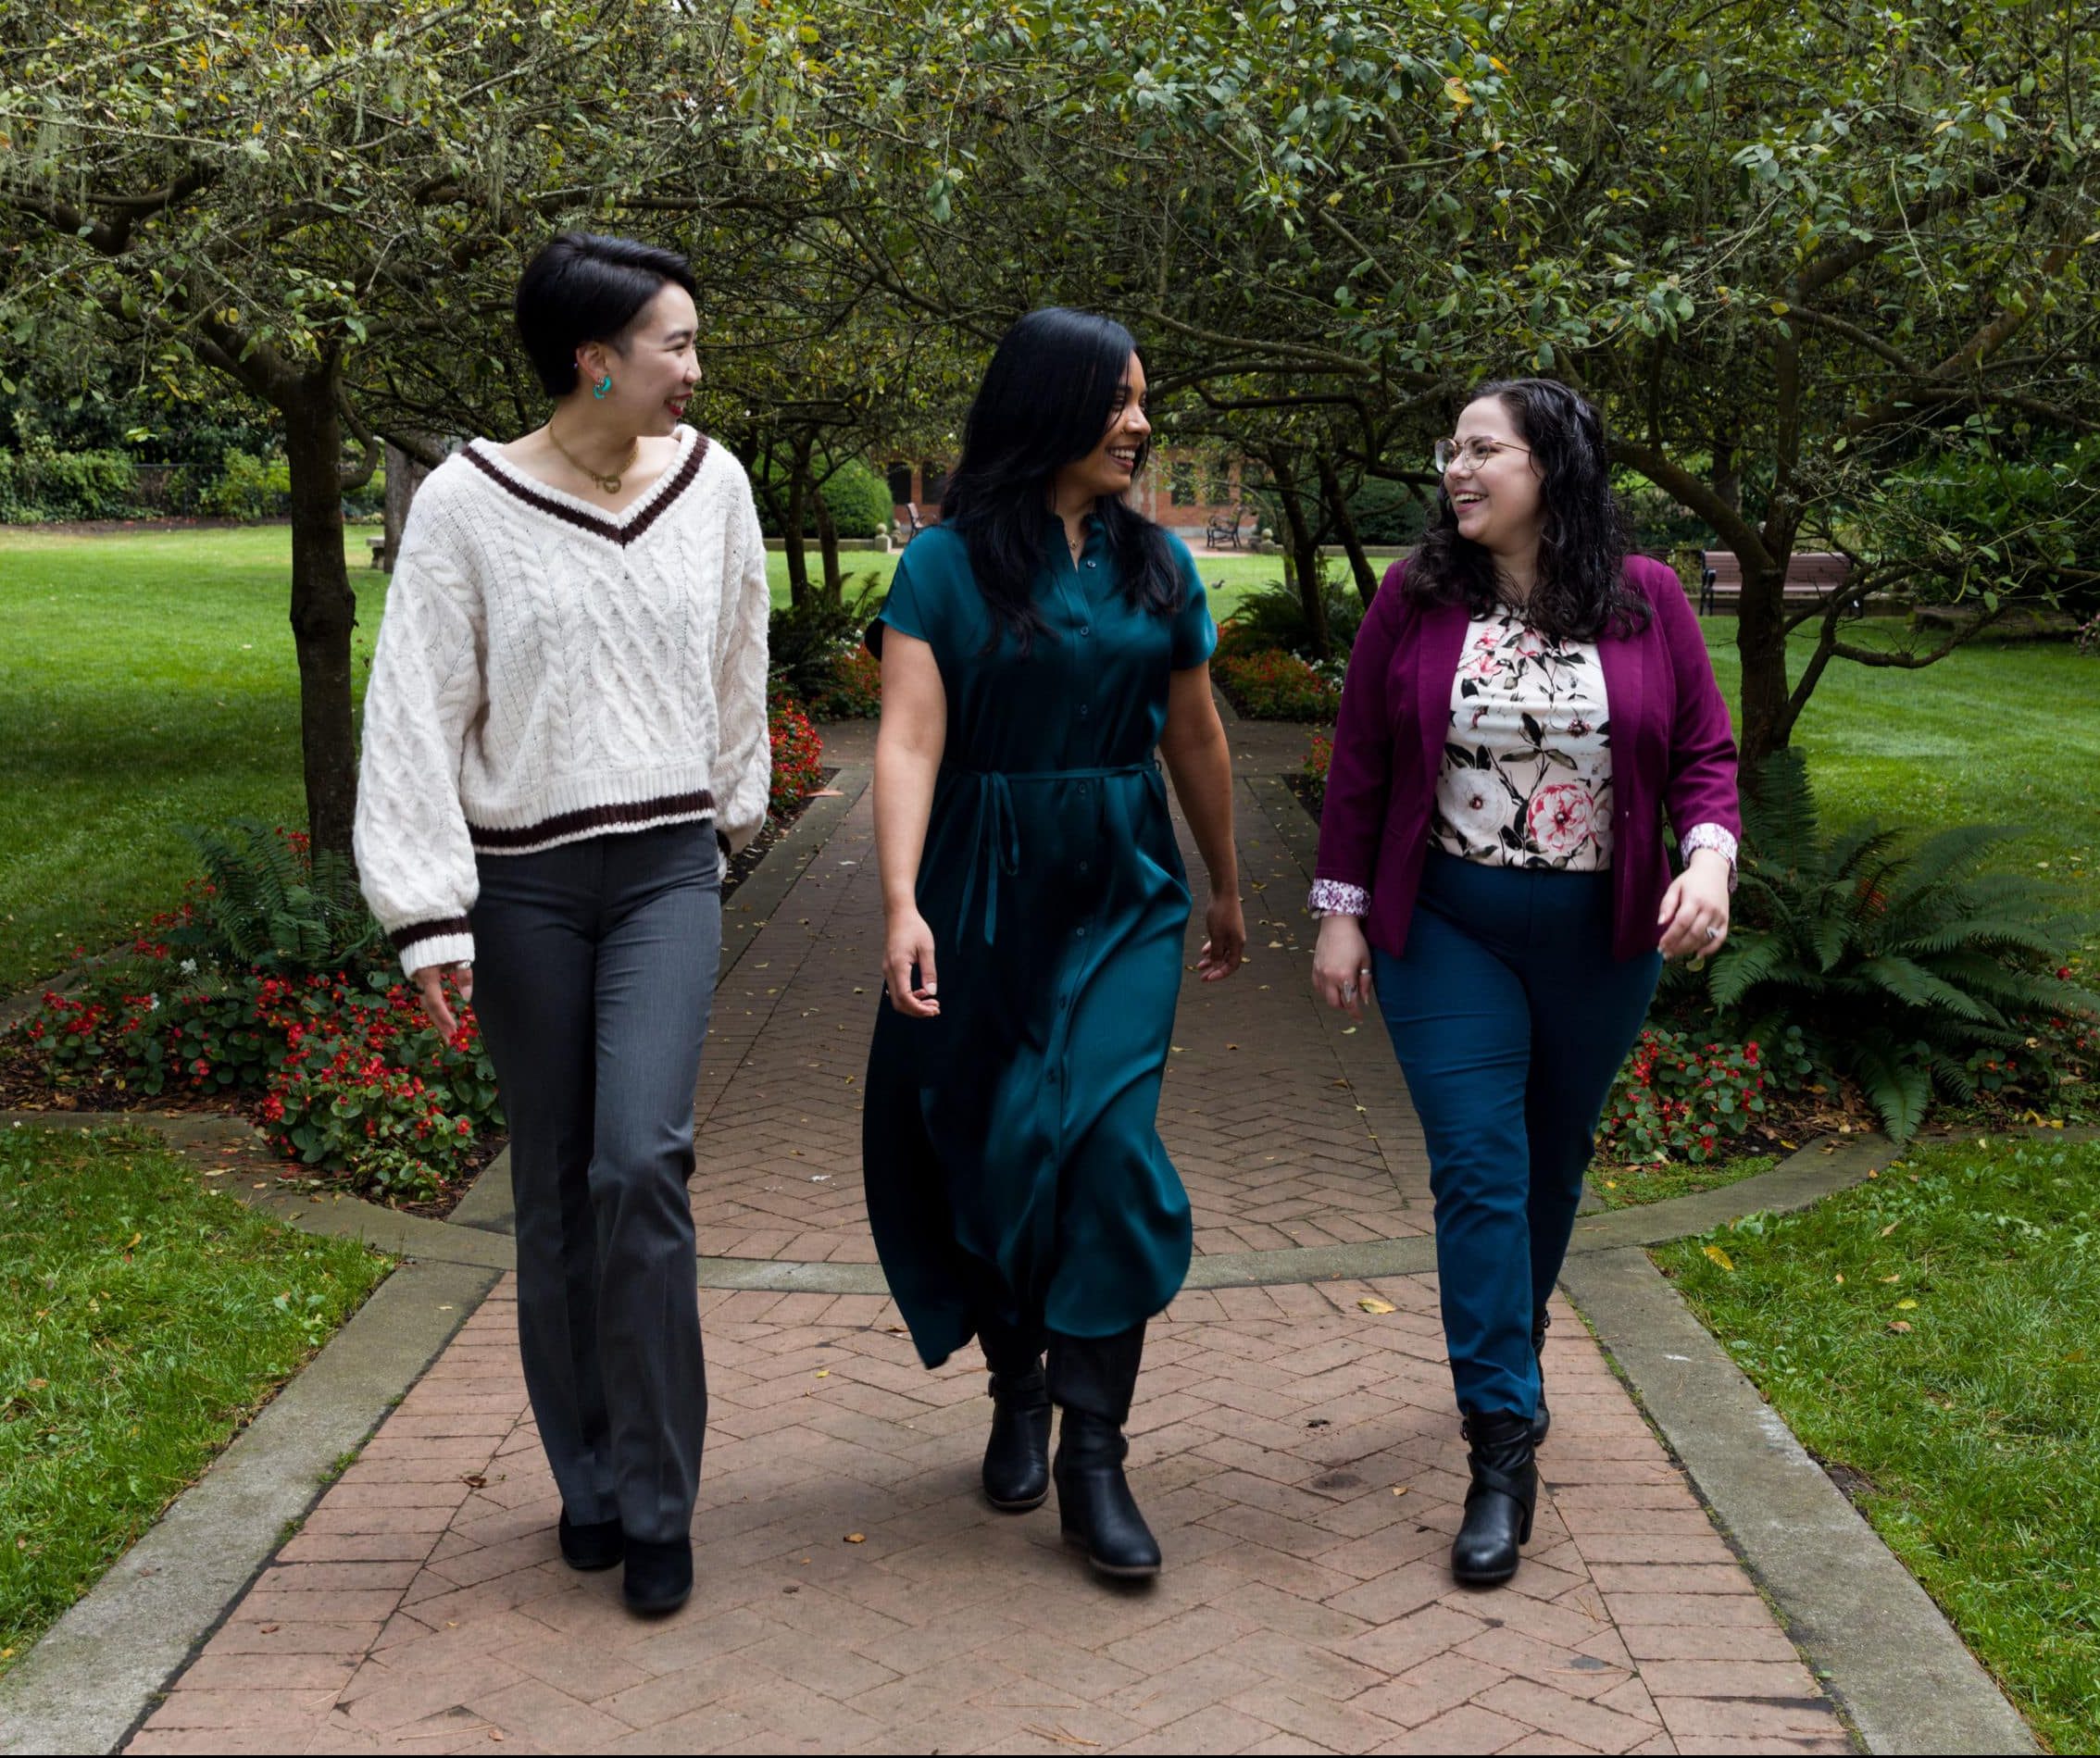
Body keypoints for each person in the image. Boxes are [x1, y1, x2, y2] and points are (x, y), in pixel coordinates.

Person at [353, 231, 770, 1616]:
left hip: (660, 872)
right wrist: (427, 918)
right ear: (596, 358)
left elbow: (735, 658)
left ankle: (659, 1500)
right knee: (552, 1194)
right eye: (678, 345)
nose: (696, 371)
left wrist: (731, 818)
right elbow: (414, 706)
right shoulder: (468, 505)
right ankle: (584, 1481)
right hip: (523, 883)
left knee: (638, 1164)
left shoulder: (714, 487)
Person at [1308, 379, 1739, 1588]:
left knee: (1547, 1171)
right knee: (1481, 1171)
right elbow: (1360, 758)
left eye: (1483, 450)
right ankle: (1502, 1448)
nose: (1457, 468)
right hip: (1447, 929)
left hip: (1601, 939)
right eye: (1452, 451)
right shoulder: (1417, 594)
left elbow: (1705, 751)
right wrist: (1341, 914)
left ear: (1552, 467)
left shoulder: (1645, 599)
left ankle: (1513, 1340)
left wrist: (1709, 857)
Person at [862, 308, 1245, 1581]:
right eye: (1117, 400)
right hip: (980, 876)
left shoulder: (1160, 566)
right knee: (993, 1151)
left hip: (1123, 879)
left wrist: (1230, 886)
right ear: (1047, 407)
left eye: (1144, 398)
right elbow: (911, 738)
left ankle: (1097, 1452)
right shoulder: (944, 565)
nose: (1140, 423)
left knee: (1107, 1151)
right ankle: (1017, 1384)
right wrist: (902, 900)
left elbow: (1195, 735)